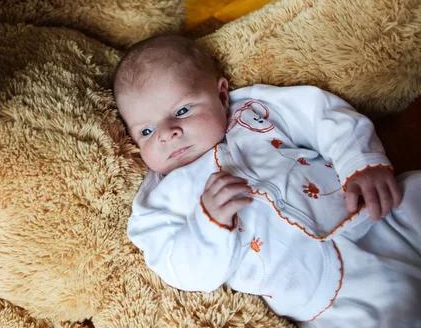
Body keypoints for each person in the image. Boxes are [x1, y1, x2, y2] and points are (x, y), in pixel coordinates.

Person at [113, 35, 421, 327]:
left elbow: (321, 115)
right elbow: (178, 269)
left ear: (221, 95)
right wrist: (208, 224)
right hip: (329, 290)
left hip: (376, 207)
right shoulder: (157, 200)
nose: (167, 133)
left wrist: (360, 161)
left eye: (182, 110)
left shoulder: (254, 111)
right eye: (147, 132)